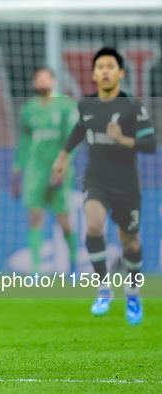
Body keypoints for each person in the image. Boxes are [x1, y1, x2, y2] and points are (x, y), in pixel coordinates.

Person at [52, 47, 156, 325]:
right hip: (96, 179)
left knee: (130, 243)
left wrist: (123, 139)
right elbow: (80, 128)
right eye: (101, 67)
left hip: (126, 184)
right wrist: (63, 155)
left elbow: (150, 144)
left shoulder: (134, 107)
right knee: (94, 225)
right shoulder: (86, 105)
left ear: (121, 73)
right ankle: (103, 288)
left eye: (111, 66)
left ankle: (132, 292)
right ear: (94, 74)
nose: (106, 71)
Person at [11, 67, 79, 276]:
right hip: (35, 171)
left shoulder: (66, 106)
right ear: (34, 83)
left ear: (53, 81)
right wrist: (17, 169)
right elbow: (25, 140)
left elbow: (73, 140)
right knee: (34, 216)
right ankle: (37, 271)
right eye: (37, 78)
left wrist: (62, 167)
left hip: (59, 169)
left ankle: (74, 263)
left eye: (45, 78)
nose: (41, 82)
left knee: (63, 220)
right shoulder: (29, 109)